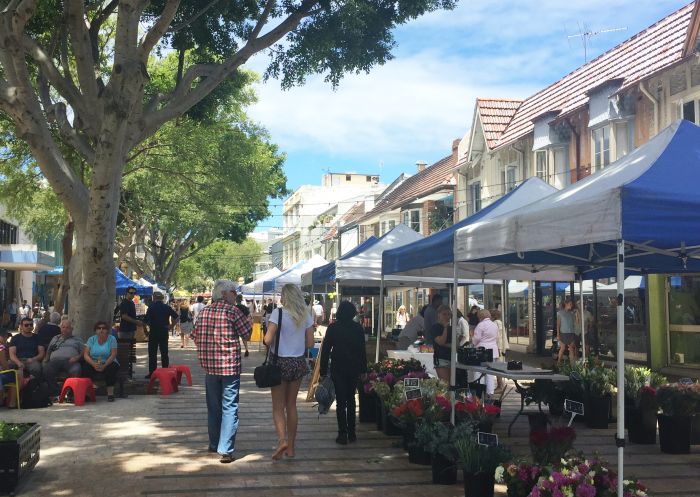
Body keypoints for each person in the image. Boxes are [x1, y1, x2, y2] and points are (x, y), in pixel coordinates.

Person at [191, 280, 252, 464]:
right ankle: (225, 449)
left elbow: (194, 336)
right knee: (230, 406)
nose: (236, 295)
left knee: (213, 407)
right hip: (229, 367)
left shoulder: (204, 312)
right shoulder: (233, 311)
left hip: (210, 367)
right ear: (225, 294)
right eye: (234, 292)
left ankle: (213, 442)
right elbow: (247, 334)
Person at [264, 284, 314, 460]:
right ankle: (291, 448)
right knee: (291, 405)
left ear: (285, 297)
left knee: (278, 406)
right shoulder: (305, 315)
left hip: (279, 363)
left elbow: (268, 339)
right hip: (298, 363)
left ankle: (282, 440)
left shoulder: (277, 313)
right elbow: (310, 344)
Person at [319, 301, 367, 445]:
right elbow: (362, 351)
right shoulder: (358, 328)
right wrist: (364, 369)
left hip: (337, 368)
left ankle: (342, 433)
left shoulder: (333, 328)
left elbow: (326, 350)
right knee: (351, 399)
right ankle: (352, 432)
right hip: (353, 368)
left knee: (340, 402)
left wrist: (322, 371)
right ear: (353, 313)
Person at [43, 318, 84, 399]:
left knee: (76, 370)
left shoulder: (77, 339)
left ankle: (71, 394)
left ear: (71, 329)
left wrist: (77, 357)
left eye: (67, 327)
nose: (65, 329)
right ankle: (56, 392)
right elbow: (49, 351)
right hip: (54, 361)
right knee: (47, 369)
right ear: (60, 328)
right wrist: (46, 359)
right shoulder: (55, 338)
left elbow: (84, 352)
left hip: (70, 361)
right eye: (63, 327)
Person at [82, 321, 119, 401]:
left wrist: (105, 365)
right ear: (96, 330)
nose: (101, 330)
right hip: (94, 362)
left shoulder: (112, 339)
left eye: (104, 328)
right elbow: (86, 355)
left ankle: (110, 394)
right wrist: (93, 364)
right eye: (99, 328)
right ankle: (87, 393)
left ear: (107, 330)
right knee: (85, 368)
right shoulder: (91, 339)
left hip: (108, 361)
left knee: (111, 368)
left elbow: (113, 354)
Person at [144, 291, 178, 378]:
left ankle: (152, 373)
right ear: (162, 298)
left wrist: (146, 331)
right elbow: (176, 317)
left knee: (152, 354)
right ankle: (165, 371)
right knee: (164, 353)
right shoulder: (167, 307)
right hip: (164, 332)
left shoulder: (151, 307)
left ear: (154, 298)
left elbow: (146, 321)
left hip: (154, 332)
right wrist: (171, 326)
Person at [472, 309, 500, 395]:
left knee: (479, 371)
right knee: (490, 373)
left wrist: (472, 340)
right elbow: (497, 338)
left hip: (482, 351)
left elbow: (476, 339)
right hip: (493, 351)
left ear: (480, 317)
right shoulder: (494, 325)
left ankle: (480, 391)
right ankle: (490, 392)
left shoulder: (481, 325)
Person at [429, 304, 453, 382]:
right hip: (441, 359)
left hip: (452, 358)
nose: (447, 316)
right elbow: (441, 342)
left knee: (451, 385)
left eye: (449, 314)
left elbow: (456, 345)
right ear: (439, 314)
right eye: (444, 314)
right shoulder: (435, 327)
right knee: (445, 385)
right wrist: (445, 328)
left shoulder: (451, 328)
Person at [0, 329, 21, 407]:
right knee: (17, 374)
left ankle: (2, 399)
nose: (7, 339)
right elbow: (5, 366)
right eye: (6, 337)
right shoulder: (1, 347)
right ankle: (12, 402)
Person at [492, 309, 508, 392]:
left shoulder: (495, 323)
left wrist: (498, 348)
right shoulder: (500, 323)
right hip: (501, 347)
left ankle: (500, 385)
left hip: (498, 348)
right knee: (499, 366)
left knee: (497, 367)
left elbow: (497, 337)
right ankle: (500, 385)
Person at [557, 298, 577, 363]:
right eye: (570, 304)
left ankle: (572, 365)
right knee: (562, 348)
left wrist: (577, 314)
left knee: (571, 348)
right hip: (563, 333)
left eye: (572, 304)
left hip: (571, 332)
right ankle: (559, 362)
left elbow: (575, 322)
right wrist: (558, 335)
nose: (571, 305)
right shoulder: (560, 313)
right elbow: (558, 325)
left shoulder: (572, 313)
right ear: (566, 304)